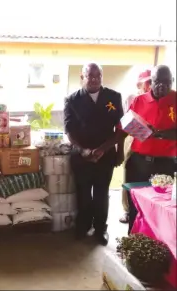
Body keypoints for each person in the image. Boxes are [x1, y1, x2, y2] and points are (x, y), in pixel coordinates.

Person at [94, 65, 176, 234]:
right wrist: (110, 151)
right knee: (135, 205)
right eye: (157, 82)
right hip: (138, 162)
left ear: (172, 82)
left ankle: (156, 245)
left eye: (167, 82)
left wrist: (159, 134)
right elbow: (123, 129)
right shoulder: (139, 101)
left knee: (160, 207)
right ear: (150, 82)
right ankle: (133, 241)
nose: (162, 86)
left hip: (164, 165)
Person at [64, 63, 124, 245]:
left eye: (98, 76)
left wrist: (108, 150)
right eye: (90, 76)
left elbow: (120, 129)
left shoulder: (114, 97)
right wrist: (83, 150)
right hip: (81, 155)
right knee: (83, 193)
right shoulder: (72, 100)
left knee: (101, 193)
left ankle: (100, 229)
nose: (95, 79)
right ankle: (83, 226)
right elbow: (69, 130)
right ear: (82, 77)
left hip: (105, 154)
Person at [119, 69, 152, 224]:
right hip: (132, 141)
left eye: (152, 81)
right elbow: (125, 121)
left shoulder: (158, 99)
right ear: (140, 84)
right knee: (130, 176)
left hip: (151, 145)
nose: (150, 85)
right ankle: (128, 210)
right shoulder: (134, 98)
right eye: (148, 82)